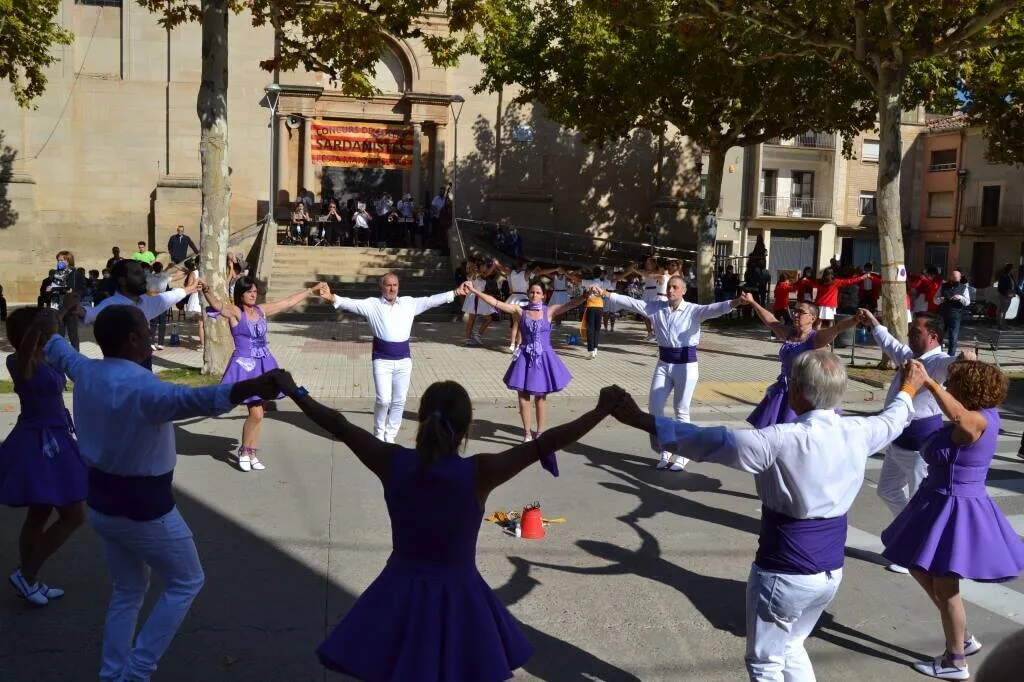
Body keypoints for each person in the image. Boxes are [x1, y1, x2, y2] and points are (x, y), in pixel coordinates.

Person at [276, 370, 626, 681]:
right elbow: (547, 442)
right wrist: (601, 410)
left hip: (397, 594)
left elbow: (339, 425)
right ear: (467, 427)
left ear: (421, 420)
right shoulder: (479, 472)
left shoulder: (392, 461)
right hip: (460, 598)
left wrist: (294, 391)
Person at [611, 350, 927, 682]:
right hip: (829, 572)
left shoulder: (778, 440)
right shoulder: (860, 430)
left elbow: (707, 441)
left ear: (797, 391)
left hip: (785, 570)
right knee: (791, 646)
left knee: (765, 663)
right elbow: (895, 417)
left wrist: (640, 419)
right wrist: (908, 388)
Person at [37, 304, 285, 682]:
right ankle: (136, 672)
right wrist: (249, 387)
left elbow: (58, 348)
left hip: (101, 505)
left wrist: (51, 323)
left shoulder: (86, 370)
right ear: (134, 339)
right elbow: (194, 400)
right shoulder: (144, 388)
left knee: (128, 588)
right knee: (186, 581)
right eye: (145, 327)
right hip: (144, 510)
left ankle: (113, 673)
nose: (149, 332)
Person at [882, 360, 1024, 680]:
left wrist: (929, 383)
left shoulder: (977, 420)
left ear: (969, 389)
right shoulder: (986, 414)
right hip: (938, 502)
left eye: (954, 383)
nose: (949, 387)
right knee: (919, 567)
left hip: (953, 507)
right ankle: (963, 638)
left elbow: (960, 418)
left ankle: (955, 661)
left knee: (946, 586)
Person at [858, 308, 966, 574]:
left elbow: (952, 364)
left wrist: (964, 359)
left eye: (916, 332)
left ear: (933, 336)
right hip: (898, 440)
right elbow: (890, 343)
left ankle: (917, 554)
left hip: (921, 445)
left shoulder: (937, 361)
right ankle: (910, 531)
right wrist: (873, 322)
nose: (909, 336)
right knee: (887, 490)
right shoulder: (909, 357)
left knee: (921, 501)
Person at [598, 275, 740, 470]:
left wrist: (736, 302)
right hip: (663, 364)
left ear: (683, 291)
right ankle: (666, 447)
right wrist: (607, 294)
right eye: (669, 287)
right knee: (655, 407)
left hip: (686, 365)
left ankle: (684, 453)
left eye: (675, 287)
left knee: (681, 410)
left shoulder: (693, 310)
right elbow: (632, 303)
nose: (671, 290)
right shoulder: (656, 308)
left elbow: (714, 309)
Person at [0, 308, 87, 606]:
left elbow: (49, 335)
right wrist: (37, 328)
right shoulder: (18, 361)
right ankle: (27, 574)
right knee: (73, 515)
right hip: (40, 442)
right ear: (32, 332)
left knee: (39, 513)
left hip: (56, 437)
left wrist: (65, 310)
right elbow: (25, 357)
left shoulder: (46, 357)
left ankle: (29, 579)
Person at [317, 274, 469, 443]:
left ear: (398, 286)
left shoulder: (409, 303)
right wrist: (331, 297)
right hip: (381, 360)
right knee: (383, 400)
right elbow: (350, 303)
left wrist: (456, 292)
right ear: (381, 287)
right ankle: (378, 433)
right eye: (388, 285)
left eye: (395, 285)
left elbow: (431, 301)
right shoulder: (372, 305)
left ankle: (390, 436)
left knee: (399, 401)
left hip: (404, 361)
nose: (392, 288)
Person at [466, 280, 590, 468]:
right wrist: (475, 291)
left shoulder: (549, 311)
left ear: (543, 295)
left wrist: (585, 296)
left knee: (541, 398)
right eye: (532, 292)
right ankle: (527, 434)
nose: (534, 295)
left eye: (538, 292)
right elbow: (496, 302)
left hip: (543, 359)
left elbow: (571, 304)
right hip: (524, 357)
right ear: (528, 293)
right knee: (523, 397)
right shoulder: (520, 311)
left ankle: (540, 433)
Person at [200, 276, 316, 471]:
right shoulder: (236, 312)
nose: (253, 295)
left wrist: (310, 291)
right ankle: (245, 452)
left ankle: (252, 453)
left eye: (255, 291)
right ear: (240, 294)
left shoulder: (261, 310)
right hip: (246, 367)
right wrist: (206, 290)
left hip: (265, 364)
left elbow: (287, 303)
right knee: (256, 413)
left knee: (261, 412)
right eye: (249, 292)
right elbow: (218, 305)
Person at [740, 293, 860, 427]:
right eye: (795, 311)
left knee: (796, 429)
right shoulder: (789, 334)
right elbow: (770, 320)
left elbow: (837, 328)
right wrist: (752, 302)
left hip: (804, 394)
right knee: (773, 430)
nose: (795, 314)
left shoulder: (816, 339)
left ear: (812, 318)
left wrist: (855, 319)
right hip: (783, 391)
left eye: (801, 312)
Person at [937, 268, 970, 356]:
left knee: (953, 337)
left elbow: (967, 302)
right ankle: (938, 355)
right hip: (943, 313)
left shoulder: (964, 287)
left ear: (959, 278)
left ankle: (950, 357)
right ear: (950, 277)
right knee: (939, 335)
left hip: (955, 314)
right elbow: (935, 299)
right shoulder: (943, 286)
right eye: (952, 278)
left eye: (956, 279)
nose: (954, 281)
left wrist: (960, 297)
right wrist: (940, 299)